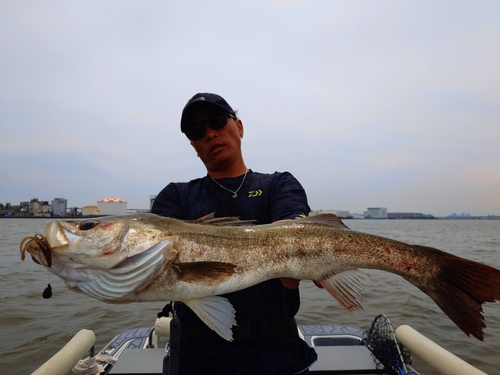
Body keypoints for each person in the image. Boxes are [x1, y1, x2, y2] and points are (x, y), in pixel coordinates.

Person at [151, 93, 317, 374]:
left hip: (279, 355)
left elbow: (293, 236)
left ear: (239, 127)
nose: (210, 134)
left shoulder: (279, 184)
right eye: (197, 131)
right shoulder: (175, 196)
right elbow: (154, 261)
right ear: (193, 145)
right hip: (197, 360)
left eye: (217, 121)